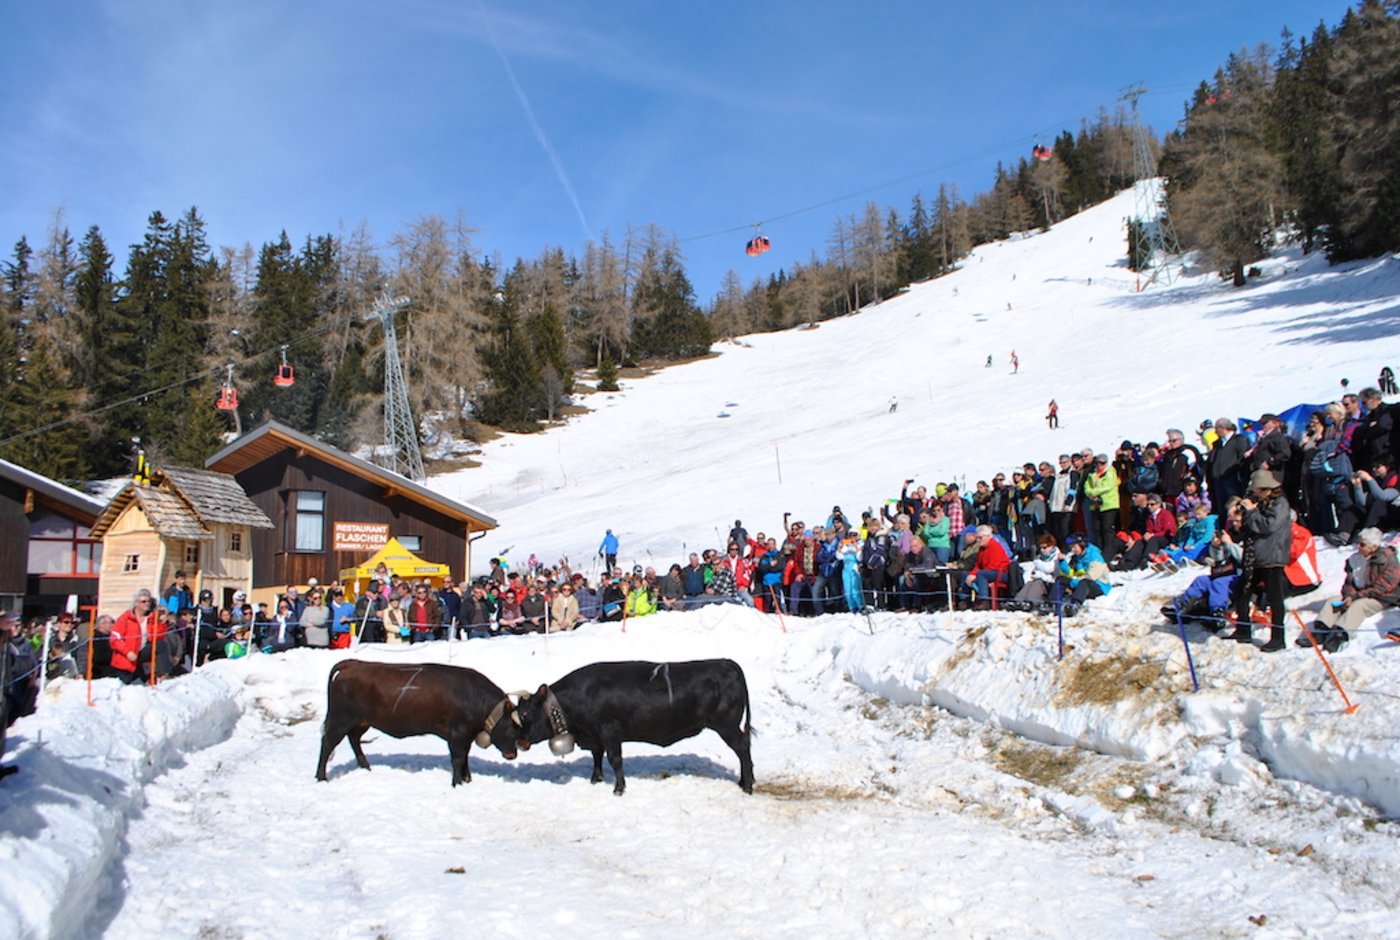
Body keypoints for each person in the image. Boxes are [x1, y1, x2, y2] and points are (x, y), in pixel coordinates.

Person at [1224, 470, 1292, 652]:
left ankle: (1278, 638)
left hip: (1272, 557)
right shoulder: (1260, 503)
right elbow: (1250, 527)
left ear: (1266, 489)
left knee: (1274, 598)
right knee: (1242, 591)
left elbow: (1268, 525)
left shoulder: (1280, 504)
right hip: (1255, 556)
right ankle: (1243, 629)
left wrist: (1252, 511)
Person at [1300, 528, 1399, 652]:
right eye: (1358, 543)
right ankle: (1321, 630)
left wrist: (1355, 597)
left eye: (1362, 545)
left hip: (1381, 597)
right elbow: (1349, 582)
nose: (1358, 547)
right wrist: (1349, 595)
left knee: (1359, 606)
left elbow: (1384, 587)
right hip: (1359, 593)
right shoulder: (1355, 559)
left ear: (1373, 547)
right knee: (1334, 601)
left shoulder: (1388, 560)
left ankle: (1339, 636)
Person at [110, 589, 163, 683]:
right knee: (124, 685)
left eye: (149, 601)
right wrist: (128, 652)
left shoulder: (151, 618)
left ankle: (163, 674)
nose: (147, 604)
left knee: (161, 645)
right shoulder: (125, 618)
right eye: (144, 601)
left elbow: (159, 637)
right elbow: (114, 640)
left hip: (141, 656)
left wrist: (161, 622)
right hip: (126, 658)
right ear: (136, 603)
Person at [1207, 418, 1250, 508]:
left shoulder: (1239, 440)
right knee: (1222, 506)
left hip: (1232, 479)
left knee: (1234, 505)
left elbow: (1243, 458)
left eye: (1216, 428)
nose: (1215, 432)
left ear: (1223, 428)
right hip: (1218, 480)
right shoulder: (1217, 444)